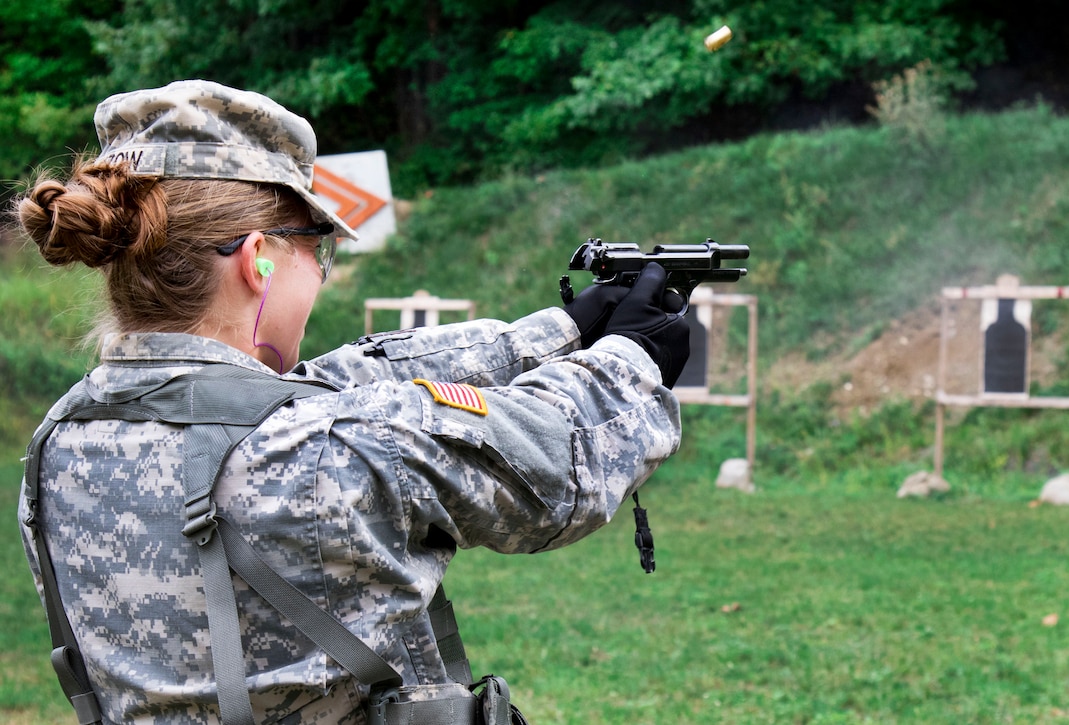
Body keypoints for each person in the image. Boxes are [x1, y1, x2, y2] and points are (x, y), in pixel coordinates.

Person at [15, 79, 689, 724]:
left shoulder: (58, 447)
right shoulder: (329, 447)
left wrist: (559, 332)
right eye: (316, 248)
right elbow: (558, 457)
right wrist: (632, 359)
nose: (320, 273)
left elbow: (335, 383)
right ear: (260, 260)